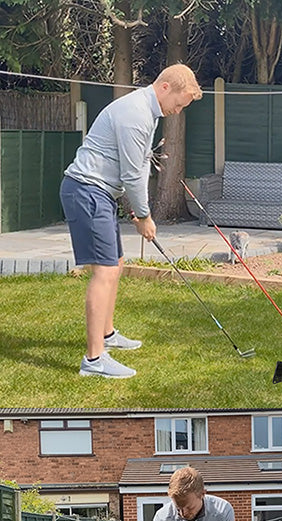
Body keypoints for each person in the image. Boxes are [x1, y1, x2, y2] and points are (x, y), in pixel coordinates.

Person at [60, 64, 202, 379]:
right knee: (105, 270)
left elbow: (134, 167)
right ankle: (94, 360)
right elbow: (133, 173)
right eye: (178, 103)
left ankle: (107, 335)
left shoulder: (147, 112)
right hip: (87, 190)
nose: (177, 111)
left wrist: (139, 213)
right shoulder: (137, 114)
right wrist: (143, 215)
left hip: (99, 192)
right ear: (165, 87)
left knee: (117, 262)